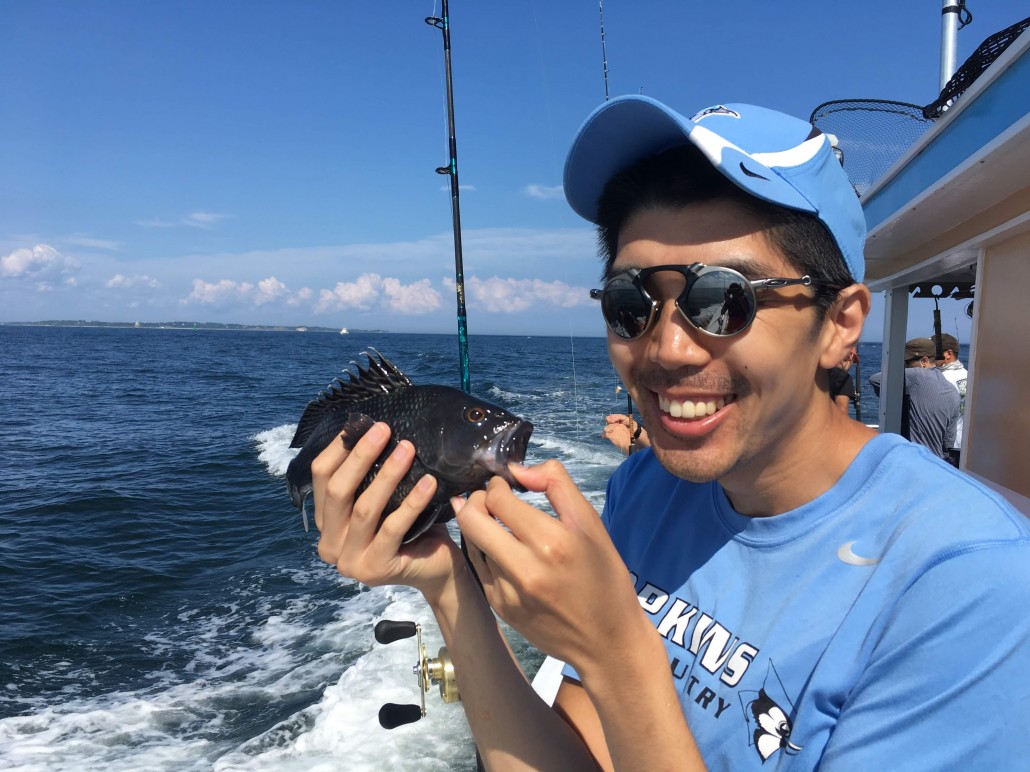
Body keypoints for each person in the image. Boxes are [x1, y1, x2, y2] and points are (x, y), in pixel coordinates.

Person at [309, 96, 1030, 769]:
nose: (666, 349)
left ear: (841, 326)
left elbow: (620, 674)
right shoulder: (647, 486)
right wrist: (445, 583)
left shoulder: (973, 587)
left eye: (723, 299)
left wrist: (619, 655)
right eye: (631, 303)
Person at [869, 337, 960, 460]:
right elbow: (948, 442)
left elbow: (875, 379)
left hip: (912, 460)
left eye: (906, 362)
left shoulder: (916, 375)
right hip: (937, 462)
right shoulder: (952, 391)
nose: (904, 366)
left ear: (924, 361)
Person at [937, 332, 968, 465]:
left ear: (948, 354)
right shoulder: (968, 375)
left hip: (946, 447)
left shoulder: (940, 379)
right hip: (964, 445)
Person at [826, 348, 857, 413]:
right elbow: (842, 413)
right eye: (853, 361)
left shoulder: (817, 374)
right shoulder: (843, 378)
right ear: (850, 358)